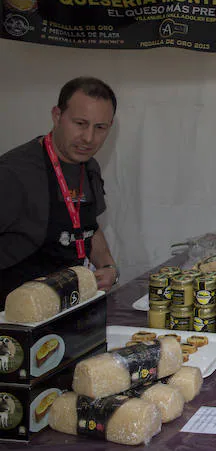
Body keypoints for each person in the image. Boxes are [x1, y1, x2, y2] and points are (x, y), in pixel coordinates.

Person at [0, 77, 120, 306]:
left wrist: (108, 266)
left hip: (65, 306)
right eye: (80, 123)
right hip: (12, 317)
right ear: (57, 116)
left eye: (100, 128)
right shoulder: (13, 174)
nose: (89, 138)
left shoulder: (90, 167)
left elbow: (88, 227)